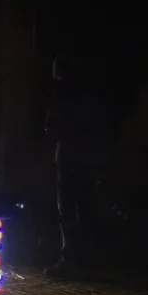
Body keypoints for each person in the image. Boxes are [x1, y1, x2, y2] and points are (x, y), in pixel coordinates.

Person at [44, 54, 101, 275]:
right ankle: (86, 257)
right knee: (83, 204)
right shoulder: (87, 93)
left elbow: (52, 124)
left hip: (68, 153)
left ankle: (70, 258)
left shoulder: (62, 92)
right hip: (84, 153)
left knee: (67, 206)